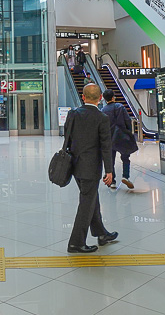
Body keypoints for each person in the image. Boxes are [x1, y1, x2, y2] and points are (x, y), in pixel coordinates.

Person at [65, 83, 117, 253]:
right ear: (100, 98)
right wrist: (109, 170)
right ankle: (76, 243)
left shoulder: (73, 114)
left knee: (91, 198)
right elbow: (106, 146)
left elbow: (67, 137)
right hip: (91, 167)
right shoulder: (102, 118)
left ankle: (101, 234)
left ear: (83, 96)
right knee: (86, 204)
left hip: (74, 165)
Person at [101, 89, 138, 190]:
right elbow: (127, 120)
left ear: (104, 99)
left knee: (111, 160)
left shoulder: (103, 110)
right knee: (125, 158)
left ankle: (112, 182)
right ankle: (125, 176)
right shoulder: (120, 107)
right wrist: (129, 133)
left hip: (109, 138)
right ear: (113, 97)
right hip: (122, 137)